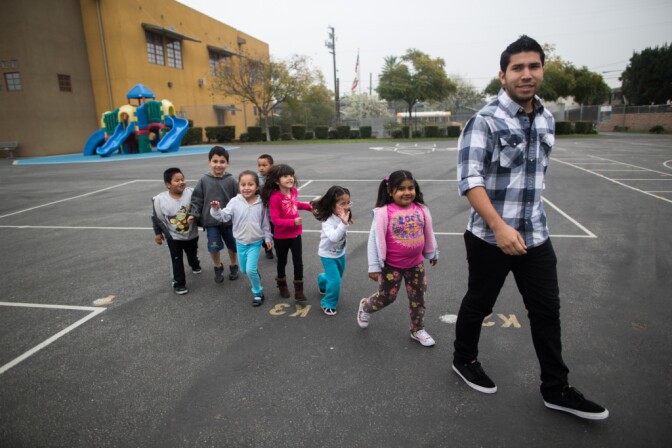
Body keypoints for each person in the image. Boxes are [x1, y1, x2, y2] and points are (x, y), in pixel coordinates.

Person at [453, 35, 608, 420]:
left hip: (536, 234)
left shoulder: (546, 117)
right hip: (490, 236)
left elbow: (535, 176)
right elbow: (469, 179)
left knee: (546, 311)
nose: (526, 74)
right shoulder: (485, 120)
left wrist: (523, 224)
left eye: (533, 66)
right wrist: (499, 226)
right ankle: (464, 358)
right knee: (480, 303)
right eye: (517, 68)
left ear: (542, 71)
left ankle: (556, 388)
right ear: (503, 75)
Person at [356, 170, 439, 347]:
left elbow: (428, 232)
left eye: (411, 188)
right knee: (386, 297)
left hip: (416, 265)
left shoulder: (421, 209)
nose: (407, 192)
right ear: (390, 191)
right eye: (401, 189)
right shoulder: (384, 212)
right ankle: (365, 306)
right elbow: (374, 240)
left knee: (419, 298)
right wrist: (374, 266)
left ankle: (417, 329)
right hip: (390, 267)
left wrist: (432, 252)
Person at [210, 170, 272, 306]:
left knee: (250, 270)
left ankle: (258, 292)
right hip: (240, 242)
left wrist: (267, 238)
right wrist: (216, 209)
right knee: (244, 270)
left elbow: (266, 224)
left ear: (257, 187)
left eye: (250, 184)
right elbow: (223, 216)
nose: (246, 187)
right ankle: (254, 274)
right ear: (239, 186)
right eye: (243, 184)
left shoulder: (262, 204)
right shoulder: (234, 201)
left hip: (255, 242)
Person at [260, 164, 313, 302]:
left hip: (296, 234)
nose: (290, 178)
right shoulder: (275, 197)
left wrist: (309, 207)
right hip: (281, 236)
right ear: (277, 181)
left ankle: (299, 290)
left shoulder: (294, 191)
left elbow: (295, 204)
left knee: (298, 262)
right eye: (285, 176)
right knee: (282, 262)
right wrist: (292, 222)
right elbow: (275, 220)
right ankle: (282, 285)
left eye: (291, 175)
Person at [190, 146, 240, 284]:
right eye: (215, 161)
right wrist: (193, 214)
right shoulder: (203, 180)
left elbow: (239, 199)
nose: (218, 165)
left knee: (232, 245)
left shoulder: (231, 180)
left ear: (227, 163)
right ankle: (217, 266)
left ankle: (233, 264)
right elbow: (197, 199)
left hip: (229, 221)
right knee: (213, 246)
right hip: (211, 222)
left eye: (222, 161)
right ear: (209, 162)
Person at [151, 167, 201, 295]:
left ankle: (194, 263)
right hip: (174, 237)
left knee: (192, 253)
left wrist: (195, 215)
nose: (181, 182)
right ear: (168, 185)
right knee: (176, 259)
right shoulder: (159, 200)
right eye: (177, 180)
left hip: (191, 234)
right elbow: (156, 217)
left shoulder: (191, 193)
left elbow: (199, 206)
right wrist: (158, 234)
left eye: (182, 179)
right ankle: (179, 283)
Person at [311, 186, 353, 316]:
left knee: (334, 278)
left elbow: (343, 230)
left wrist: (346, 220)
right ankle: (328, 303)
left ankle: (322, 279)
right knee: (335, 281)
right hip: (327, 255)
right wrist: (343, 223)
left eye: (348, 202)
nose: (346, 206)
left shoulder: (344, 215)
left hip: (340, 253)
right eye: (342, 204)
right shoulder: (327, 221)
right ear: (332, 205)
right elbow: (334, 237)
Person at [257, 153, 275, 259]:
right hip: (262, 211)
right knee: (264, 231)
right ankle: (267, 248)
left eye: (264, 165)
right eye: (259, 165)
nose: (261, 168)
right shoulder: (256, 179)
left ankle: (277, 246)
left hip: (273, 211)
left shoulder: (276, 178)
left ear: (271, 166)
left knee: (274, 231)